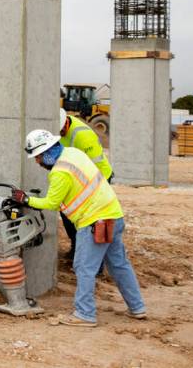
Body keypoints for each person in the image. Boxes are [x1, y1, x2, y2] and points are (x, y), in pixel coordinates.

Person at [12, 129, 146, 327]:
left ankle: (85, 313)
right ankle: (137, 307)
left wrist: (26, 199)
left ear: (47, 152)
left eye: (38, 157)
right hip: (113, 215)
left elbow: (51, 203)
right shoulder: (73, 153)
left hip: (94, 222)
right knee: (119, 264)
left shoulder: (59, 172)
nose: (38, 163)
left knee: (84, 267)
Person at [59, 108, 114, 258]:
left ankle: (95, 258)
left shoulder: (83, 135)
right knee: (67, 212)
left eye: (61, 131)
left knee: (91, 217)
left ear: (66, 123)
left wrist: (86, 191)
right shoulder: (57, 131)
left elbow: (94, 166)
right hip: (78, 176)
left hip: (98, 177)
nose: (60, 134)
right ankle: (77, 246)